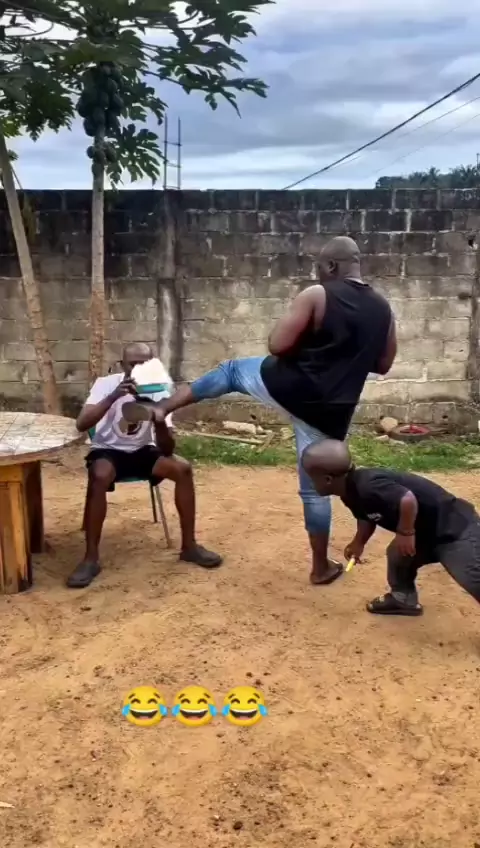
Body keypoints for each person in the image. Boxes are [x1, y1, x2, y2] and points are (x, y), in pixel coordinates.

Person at [123, 237, 397, 587]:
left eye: (319, 267)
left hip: (289, 386)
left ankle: (162, 407)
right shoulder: (384, 310)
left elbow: (278, 345)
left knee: (231, 372)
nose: (318, 273)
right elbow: (383, 364)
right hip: (330, 411)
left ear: (331, 266)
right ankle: (319, 567)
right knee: (315, 487)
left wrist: (310, 343)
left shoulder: (317, 294)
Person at [70, 342, 222, 588]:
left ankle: (189, 547)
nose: (139, 369)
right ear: (122, 365)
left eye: (145, 364)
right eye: (133, 364)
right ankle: (90, 558)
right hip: (108, 450)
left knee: (182, 469)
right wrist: (114, 396)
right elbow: (82, 424)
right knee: (100, 474)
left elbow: (167, 449)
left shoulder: (159, 389)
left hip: (143, 451)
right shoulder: (106, 384)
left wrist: (159, 419)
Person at [302, 439, 480, 616]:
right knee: (397, 555)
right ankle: (403, 599)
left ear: (327, 480)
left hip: (455, 530)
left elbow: (407, 499)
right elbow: (366, 516)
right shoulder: (349, 492)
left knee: (473, 578)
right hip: (424, 533)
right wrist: (359, 542)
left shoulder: (368, 485)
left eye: (311, 478)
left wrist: (406, 533)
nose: (309, 483)